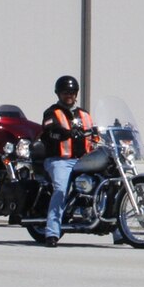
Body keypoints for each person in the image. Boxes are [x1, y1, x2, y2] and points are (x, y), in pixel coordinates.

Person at [37, 75, 94, 246]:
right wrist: (65, 133)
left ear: (76, 93)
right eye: (65, 92)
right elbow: (49, 131)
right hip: (59, 160)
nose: (69, 95)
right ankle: (52, 233)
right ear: (58, 94)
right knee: (61, 189)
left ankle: (119, 232)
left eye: (71, 92)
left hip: (83, 160)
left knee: (109, 181)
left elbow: (94, 132)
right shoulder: (52, 112)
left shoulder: (84, 114)